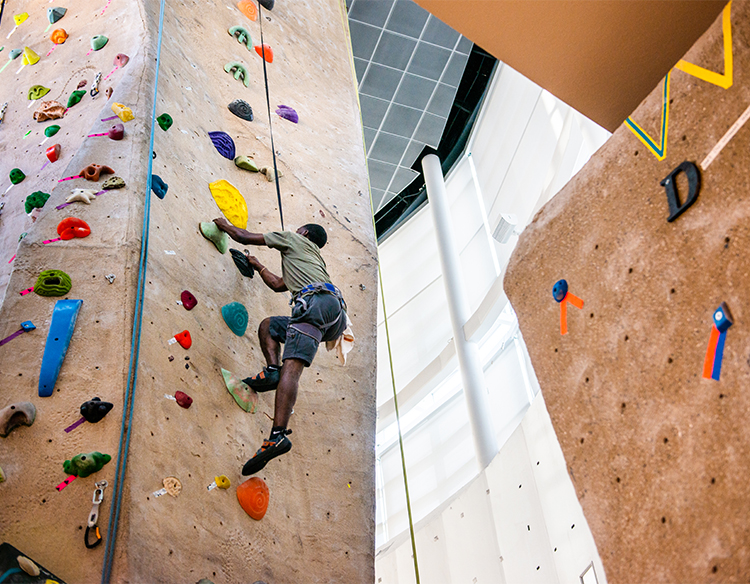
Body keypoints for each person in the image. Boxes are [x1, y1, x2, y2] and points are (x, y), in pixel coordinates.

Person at [212, 217, 348, 475]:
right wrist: (258, 265)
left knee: (292, 369)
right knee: (270, 327)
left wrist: (224, 224)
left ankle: (277, 435)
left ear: (303, 233)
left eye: (298, 231)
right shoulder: (311, 262)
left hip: (316, 304)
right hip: (331, 313)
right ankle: (271, 370)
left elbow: (243, 236)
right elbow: (277, 284)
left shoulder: (293, 238)